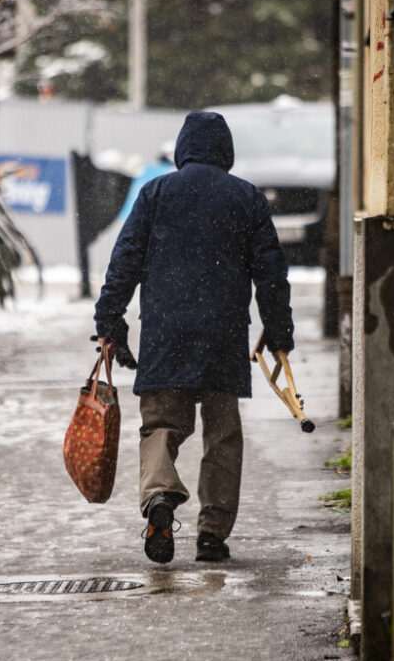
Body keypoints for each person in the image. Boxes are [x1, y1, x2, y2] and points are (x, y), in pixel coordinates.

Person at [94, 111, 294, 564]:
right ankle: (212, 533)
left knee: (161, 426)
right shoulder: (246, 198)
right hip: (222, 334)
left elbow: (123, 262)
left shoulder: (156, 193)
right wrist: (279, 329)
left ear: (184, 149)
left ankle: (160, 498)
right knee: (222, 435)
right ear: (225, 151)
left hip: (166, 332)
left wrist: (110, 322)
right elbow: (271, 272)